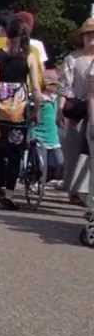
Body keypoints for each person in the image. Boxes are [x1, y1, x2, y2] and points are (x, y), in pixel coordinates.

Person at [0, 16, 43, 210]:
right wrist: (36, 110)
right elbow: (36, 89)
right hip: (17, 113)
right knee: (14, 153)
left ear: (7, 33)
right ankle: (10, 195)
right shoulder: (29, 57)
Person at [59, 18, 94, 205]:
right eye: (88, 35)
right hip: (76, 110)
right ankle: (73, 190)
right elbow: (65, 86)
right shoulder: (73, 58)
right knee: (73, 151)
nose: (91, 39)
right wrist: (60, 108)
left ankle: (87, 190)